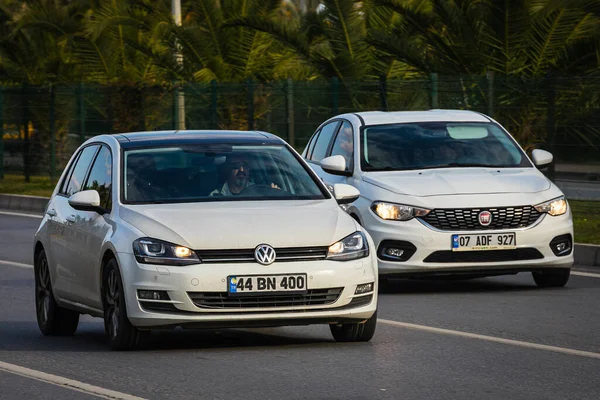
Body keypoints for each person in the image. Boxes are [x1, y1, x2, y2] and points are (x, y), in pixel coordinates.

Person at [209, 153, 279, 196]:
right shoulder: (215, 196)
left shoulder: (261, 192)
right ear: (227, 169)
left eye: (245, 165)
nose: (242, 170)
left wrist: (275, 194)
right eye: (236, 165)